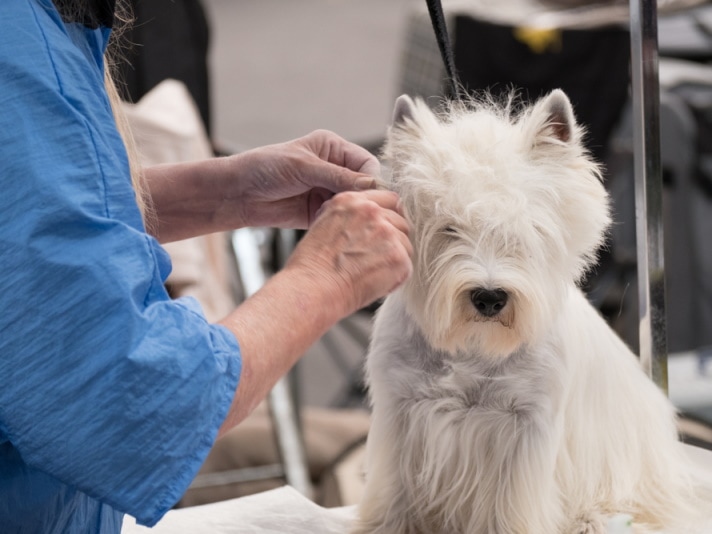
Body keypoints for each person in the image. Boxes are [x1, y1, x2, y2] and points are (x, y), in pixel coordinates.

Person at [0, 1, 412, 532]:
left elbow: (34, 220)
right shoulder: (17, 57)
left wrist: (227, 194)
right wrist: (326, 277)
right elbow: (137, 405)